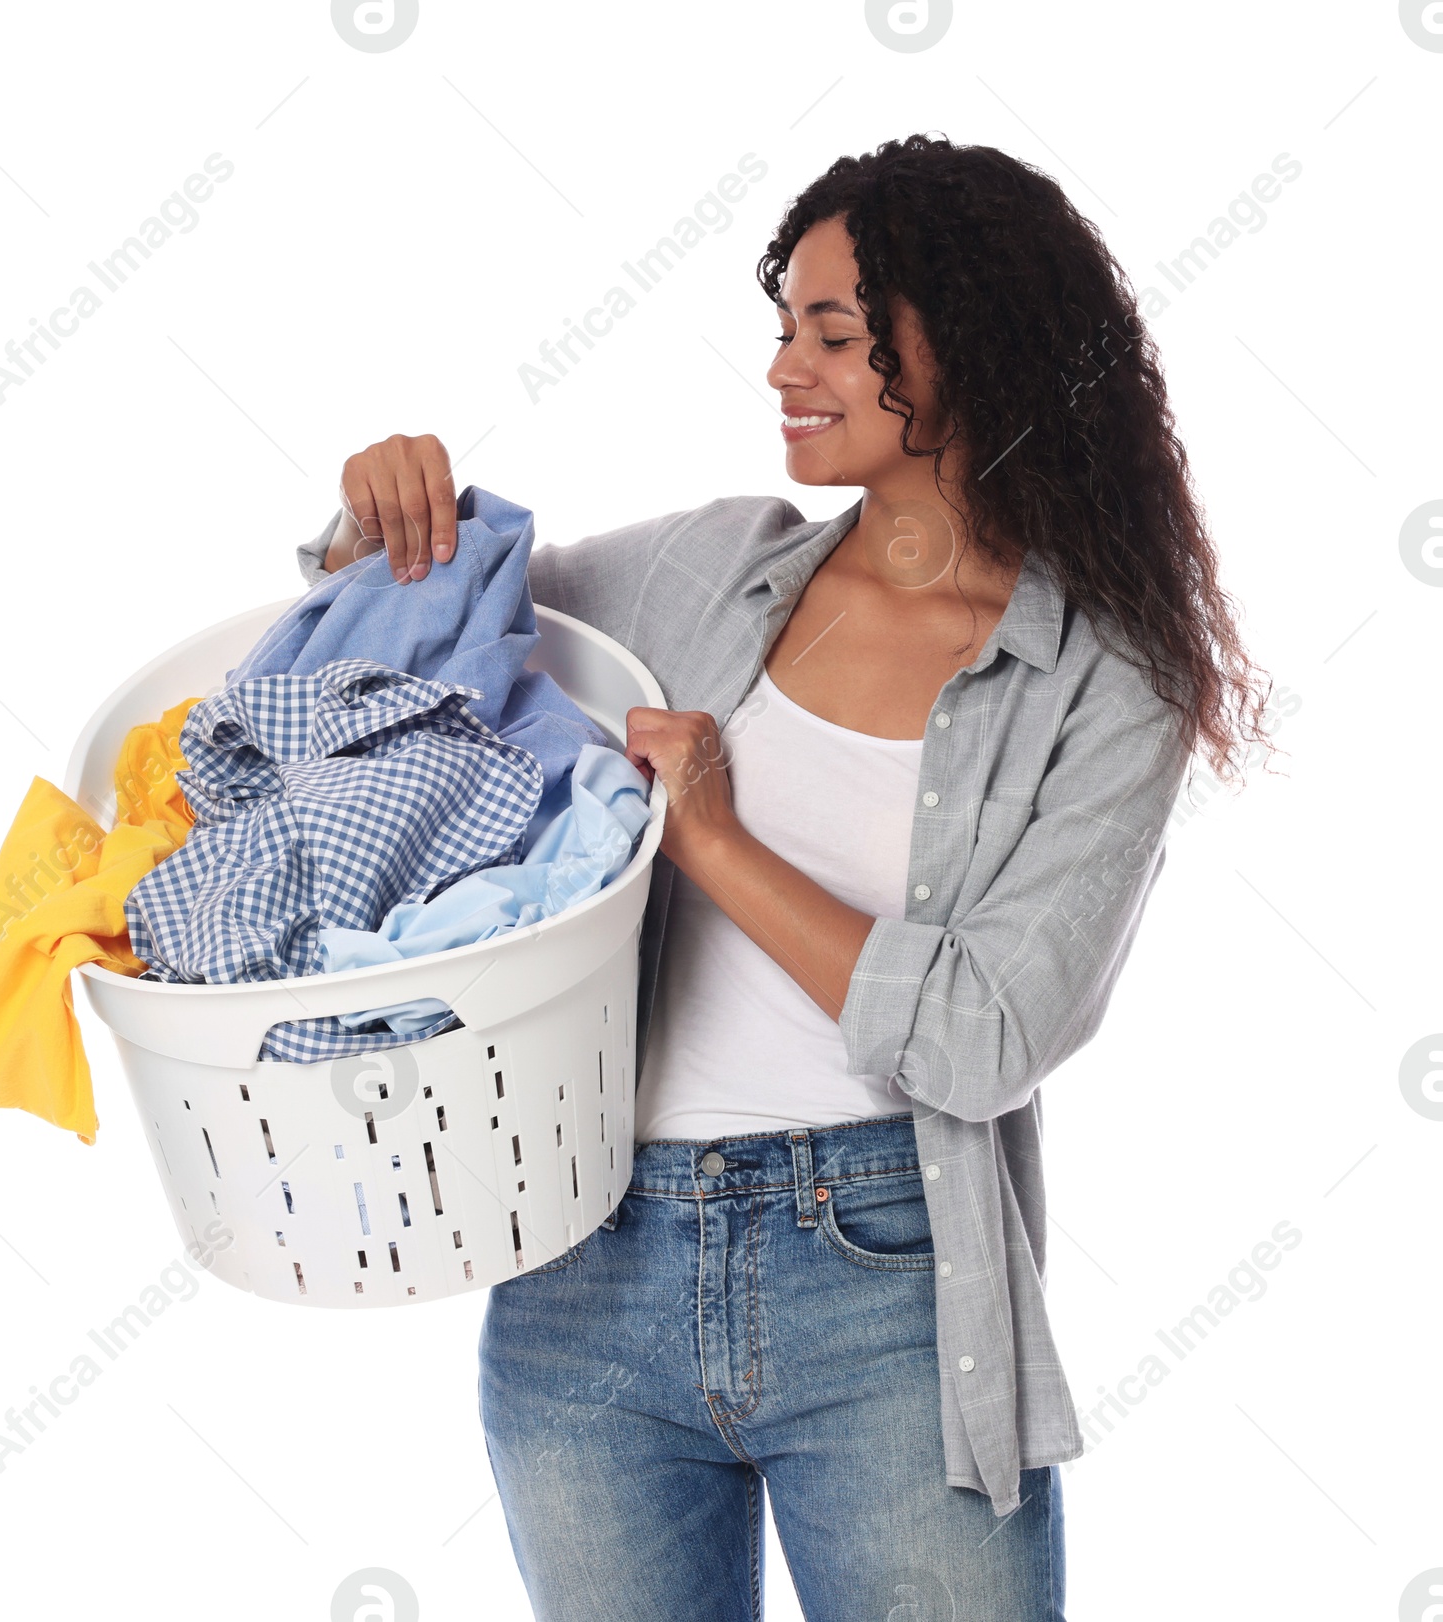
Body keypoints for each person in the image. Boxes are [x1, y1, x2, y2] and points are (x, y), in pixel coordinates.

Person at [299, 133, 1276, 1622]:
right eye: (784, 327)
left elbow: (989, 1032)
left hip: (886, 1283)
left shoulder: (1107, 676)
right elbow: (415, 643)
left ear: (981, 351)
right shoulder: (706, 567)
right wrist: (373, 519)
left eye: (835, 332)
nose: (783, 368)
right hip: (587, 1267)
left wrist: (718, 844)